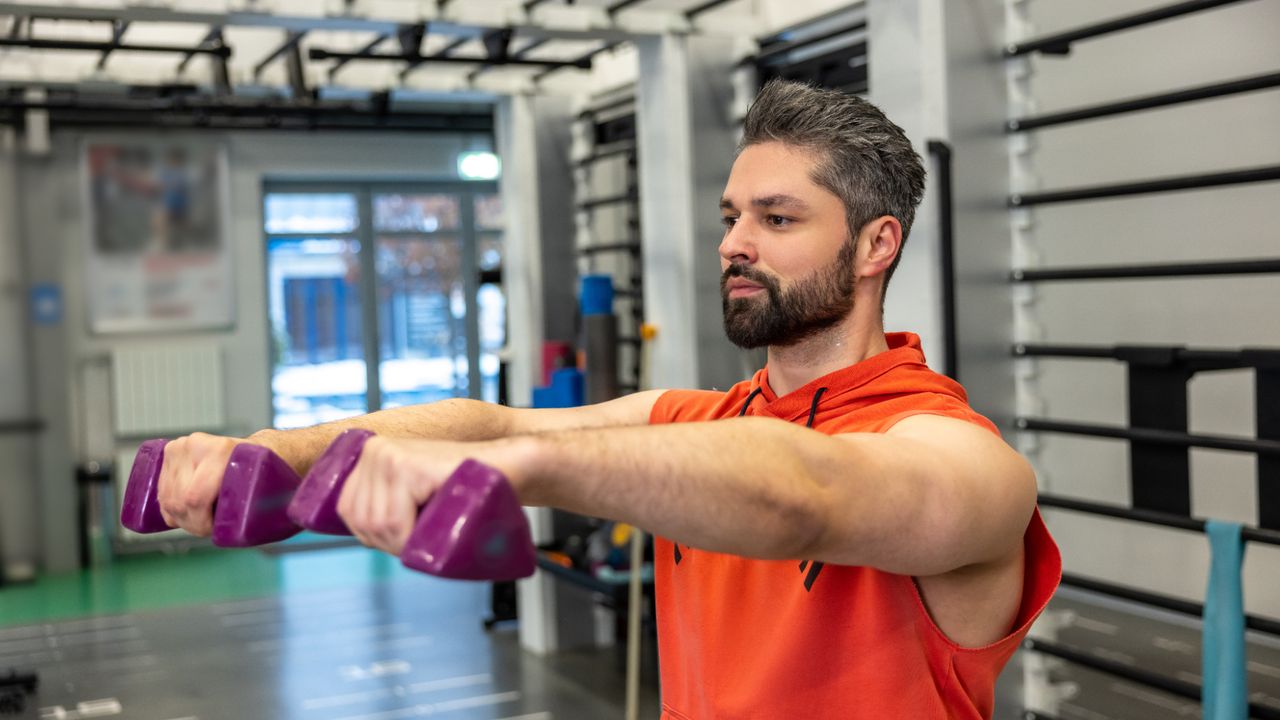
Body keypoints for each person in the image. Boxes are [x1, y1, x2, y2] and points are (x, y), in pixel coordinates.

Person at [156, 79, 1060, 719]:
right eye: (730, 217)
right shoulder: (703, 418)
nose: (734, 245)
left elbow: (807, 493)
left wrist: (526, 468)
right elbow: (494, 420)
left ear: (875, 246)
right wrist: (281, 451)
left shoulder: (965, 459)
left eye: (776, 219)